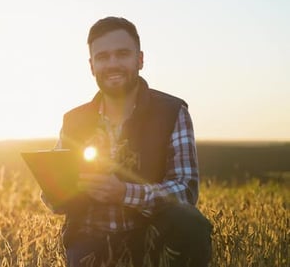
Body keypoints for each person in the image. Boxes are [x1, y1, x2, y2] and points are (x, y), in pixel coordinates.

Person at [41, 17, 213, 267]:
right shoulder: (74, 121)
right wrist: (56, 189)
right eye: (103, 57)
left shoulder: (172, 112)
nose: (112, 64)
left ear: (139, 59)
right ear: (91, 66)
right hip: (91, 243)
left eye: (122, 54)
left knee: (190, 222)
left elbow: (185, 191)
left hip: (152, 238)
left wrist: (124, 193)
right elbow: (53, 200)